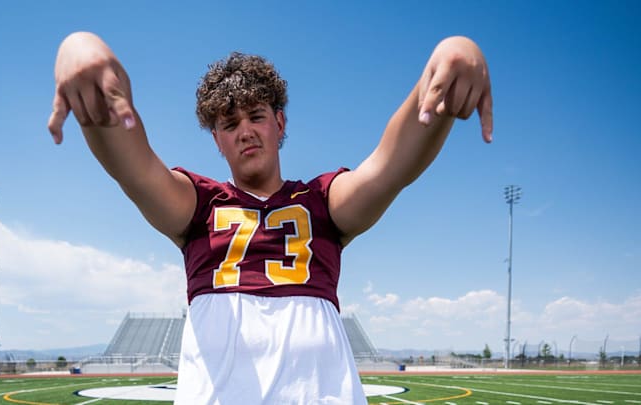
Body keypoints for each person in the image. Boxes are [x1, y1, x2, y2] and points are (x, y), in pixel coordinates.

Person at [48, 32, 492, 404]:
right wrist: (79, 47)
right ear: (217, 141)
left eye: (256, 116)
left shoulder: (321, 201)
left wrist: (451, 60)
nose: (244, 131)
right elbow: (135, 167)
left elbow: (390, 167)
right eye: (228, 124)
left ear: (280, 123)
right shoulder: (199, 204)